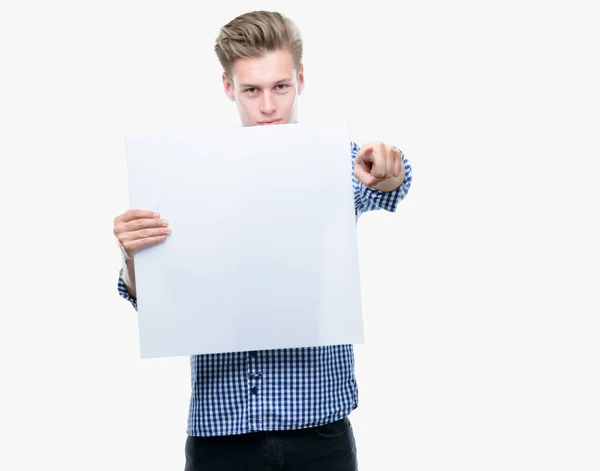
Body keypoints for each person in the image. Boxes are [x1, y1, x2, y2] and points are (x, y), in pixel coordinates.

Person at [113, 10, 413, 471]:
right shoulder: (185, 177)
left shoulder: (334, 162)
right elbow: (152, 300)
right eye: (252, 90)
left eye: (281, 87)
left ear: (301, 79)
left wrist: (388, 172)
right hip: (221, 430)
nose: (268, 106)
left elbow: (390, 181)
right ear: (229, 88)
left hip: (319, 428)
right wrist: (133, 255)